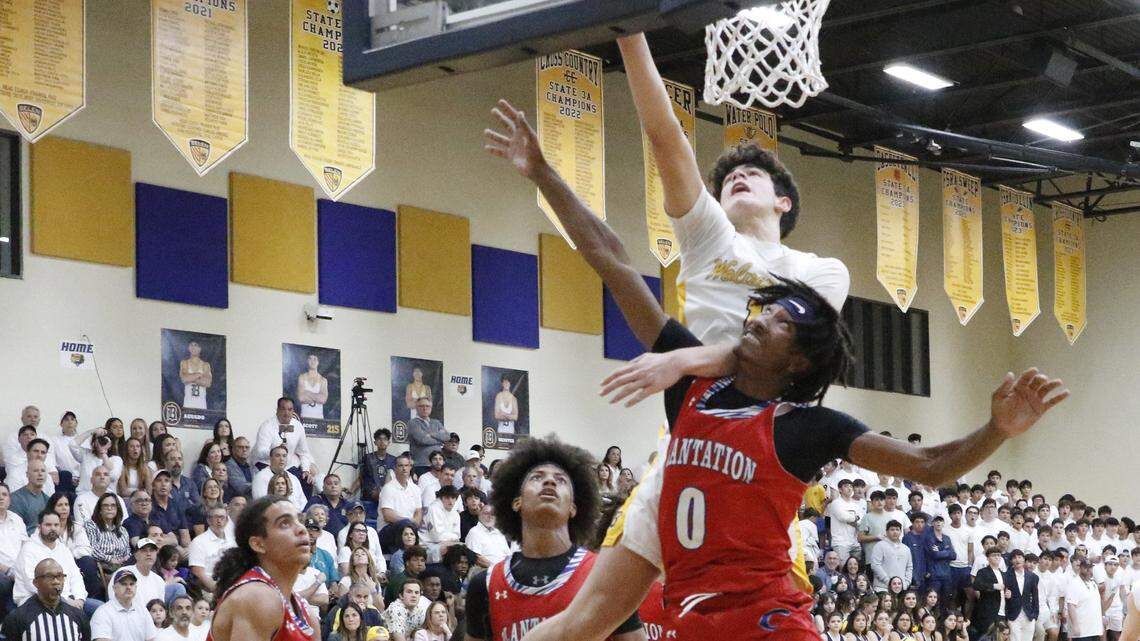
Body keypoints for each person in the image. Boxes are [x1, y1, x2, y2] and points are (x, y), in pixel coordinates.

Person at [482, 98, 1066, 641]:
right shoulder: (692, 390)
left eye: (781, 319)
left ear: (799, 359)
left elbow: (931, 465)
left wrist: (998, 430)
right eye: (762, 310)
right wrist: (543, 172)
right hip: (697, 620)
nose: (759, 318)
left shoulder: (806, 426)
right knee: (577, 625)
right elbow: (611, 259)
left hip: (768, 621)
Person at [464, 437, 644, 641]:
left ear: (573, 507)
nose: (549, 481)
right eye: (536, 477)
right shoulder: (485, 584)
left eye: (561, 480)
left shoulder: (604, 575)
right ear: (516, 502)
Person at [208, 496, 315, 641]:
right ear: (258, 544)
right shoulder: (257, 597)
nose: (302, 529)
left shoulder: (306, 612)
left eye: (299, 520)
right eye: (285, 523)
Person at [13, 511, 95, 616]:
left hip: (69, 600)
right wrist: (66, 601)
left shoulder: (63, 549)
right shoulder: (28, 549)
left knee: (99, 609)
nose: (53, 528)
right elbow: (34, 585)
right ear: (39, 527)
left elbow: (76, 577)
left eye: (56, 525)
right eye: (48, 525)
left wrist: (80, 599)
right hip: (36, 601)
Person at [1, 558, 89, 641]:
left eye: (59, 576)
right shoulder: (17, 618)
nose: (56, 581)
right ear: (35, 583)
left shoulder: (78, 616)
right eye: (49, 576)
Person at [251, 398, 318, 495]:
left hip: (287, 466)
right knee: (276, 483)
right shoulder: (267, 426)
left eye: (290, 409)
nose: (286, 413)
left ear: (293, 411)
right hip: (267, 464)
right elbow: (260, 452)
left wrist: (305, 470)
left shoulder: (298, 426)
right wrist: (275, 451)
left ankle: (301, 505)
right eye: (283, 409)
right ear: (277, 410)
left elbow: (304, 453)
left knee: (306, 480)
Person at [91, 568, 159, 641]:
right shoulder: (103, 612)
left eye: (131, 584)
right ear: (114, 588)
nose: (128, 587)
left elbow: (152, 638)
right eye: (124, 584)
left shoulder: (142, 610)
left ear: (136, 588)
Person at [188, 506, 234, 597]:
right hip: (210, 589)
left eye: (222, 517)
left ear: (227, 521)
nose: (219, 521)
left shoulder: (233, 541)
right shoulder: (198, 542)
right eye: (216, 517)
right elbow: (198, 572)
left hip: (233, 585)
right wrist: (218, 591)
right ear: (208, 520)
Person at [379, 455, 422, 551]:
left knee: (411, 530)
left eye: (406, 465)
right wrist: (408, 522)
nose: (404, 468)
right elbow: (388, 516)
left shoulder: (416, 489)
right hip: (388, 530)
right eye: (400, 465)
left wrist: (411, 524)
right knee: (406, 526)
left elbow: (418, 513)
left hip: (409, 527)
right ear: (395, 468)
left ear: (410, 467)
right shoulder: (388, 488)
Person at [86, 492, 133, 578]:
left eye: (113, 505)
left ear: (117, 509)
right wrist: (110, 559)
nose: (109, 508)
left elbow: (128, 550)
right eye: (105, 505)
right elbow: (92, 550)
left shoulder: (122, 530)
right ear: (100, 510)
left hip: (123, 566)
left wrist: (125, 558)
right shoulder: (91, 525)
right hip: (104, 568)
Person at [0, 483, 28, 618]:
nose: (1, 498)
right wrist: (8, 570)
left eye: (4, 495)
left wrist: (21, 568)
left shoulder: (16, 519)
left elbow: (25, 547)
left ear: (9, 499)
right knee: (4, 582)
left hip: (19, 570)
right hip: (3, 573)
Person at [252, 446, 307, 510]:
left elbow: (303, 501)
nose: (282, 459)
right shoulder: (260, 477)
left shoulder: (293, 478)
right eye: (278, 456)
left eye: (284, 456)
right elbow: (261, 503)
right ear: (271, 458)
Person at [971, 547, 1007, 639]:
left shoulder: (1004, 574)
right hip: (987, 611)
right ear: (987, 558)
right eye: (994, 555)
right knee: (986, 636)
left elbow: (1006, 589)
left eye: (998, 555)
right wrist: (993, 586)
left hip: (1002, 611)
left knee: (999, 637)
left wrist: (1008, 593)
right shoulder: (983, 572)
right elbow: (976, 585)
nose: (997, 557)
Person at [407, 398, 448, 476]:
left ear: (431, 408)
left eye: (427, 406)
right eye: (421, 406)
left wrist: (431, 435)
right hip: (421, 465)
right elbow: (423, 440)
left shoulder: (436, 422)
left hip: (438, 465)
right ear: (416, 408)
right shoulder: (412, 423)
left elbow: (446, 437)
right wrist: (440, 440)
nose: (425, 408)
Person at [1004, 550, 1038, 641]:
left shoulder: (1032, 577)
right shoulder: (1006, 576)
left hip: (1028, 615)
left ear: (1023, 559)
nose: (1017, 560)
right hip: (1013, 615)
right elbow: (1004, 596)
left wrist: (1035, 615)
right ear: (1011, 561)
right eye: (1014, 558)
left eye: (1019, 557)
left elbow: (1035, 597)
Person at [356, 429, 397, 505]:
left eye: (385, 439)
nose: (382, 441)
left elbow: (394, 480)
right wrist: (351, 490)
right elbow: (361, 478)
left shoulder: (393, 460)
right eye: (379, 439)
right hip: (368, 499)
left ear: (389, 442)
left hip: (386, 499)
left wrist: (383, 492)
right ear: (375, 442)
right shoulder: (368, 458)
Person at [463, 504, 509, 569]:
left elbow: (508, 554)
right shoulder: (474, 532)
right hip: (486, 570)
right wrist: (496, 569)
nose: (490, 516)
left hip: (504, 570)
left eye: (493, 514)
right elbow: (476, 558)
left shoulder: (499, 533)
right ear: (479, 515)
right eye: (486, 513)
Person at [872, 522, 913, 593]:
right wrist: (888, 581)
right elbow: (875, 565)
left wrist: (906, 583)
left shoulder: (906, 549)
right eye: (892, 529)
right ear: (887, 532)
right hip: (882, 588)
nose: (895, 532)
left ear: (901, 532)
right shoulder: (879, 546)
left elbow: (909, 567)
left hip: (900, 589)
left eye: (897, 529)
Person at [180, 340, 212, 410]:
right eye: (191, 345)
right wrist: (199, 374)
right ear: (188, 348)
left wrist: (191, 378)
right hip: (188, 403)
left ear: (200, 348)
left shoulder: (205, 365)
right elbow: (184, 379)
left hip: (201, 403)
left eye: (196, 345)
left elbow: (208, 383)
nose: (193, 347)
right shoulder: (184, 363)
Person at [297, 354, 329, 420]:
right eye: (310, 358)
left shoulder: (323, 380)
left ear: (318, 362)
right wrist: (317, 397)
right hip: (304, 417)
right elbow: (301, 398)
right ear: (307, 361)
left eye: (315, 359)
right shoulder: (302, 377)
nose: (312, 361)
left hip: (319, 418)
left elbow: (323, 400)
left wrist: (307, 393)